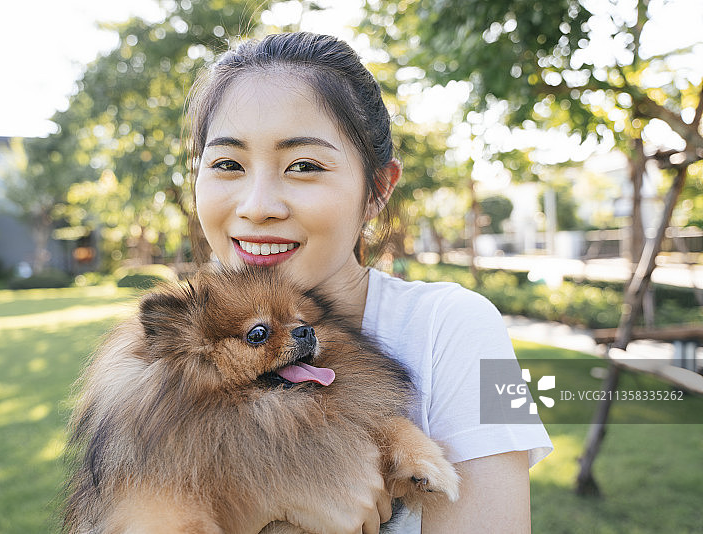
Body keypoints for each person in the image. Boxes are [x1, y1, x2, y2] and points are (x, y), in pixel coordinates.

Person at [185, 31, 552, 533]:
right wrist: (251, 507)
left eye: (304, 166)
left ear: (378, 188)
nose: (257, 206)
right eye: (228, 164)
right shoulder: (166, 349)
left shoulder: (461, 327)